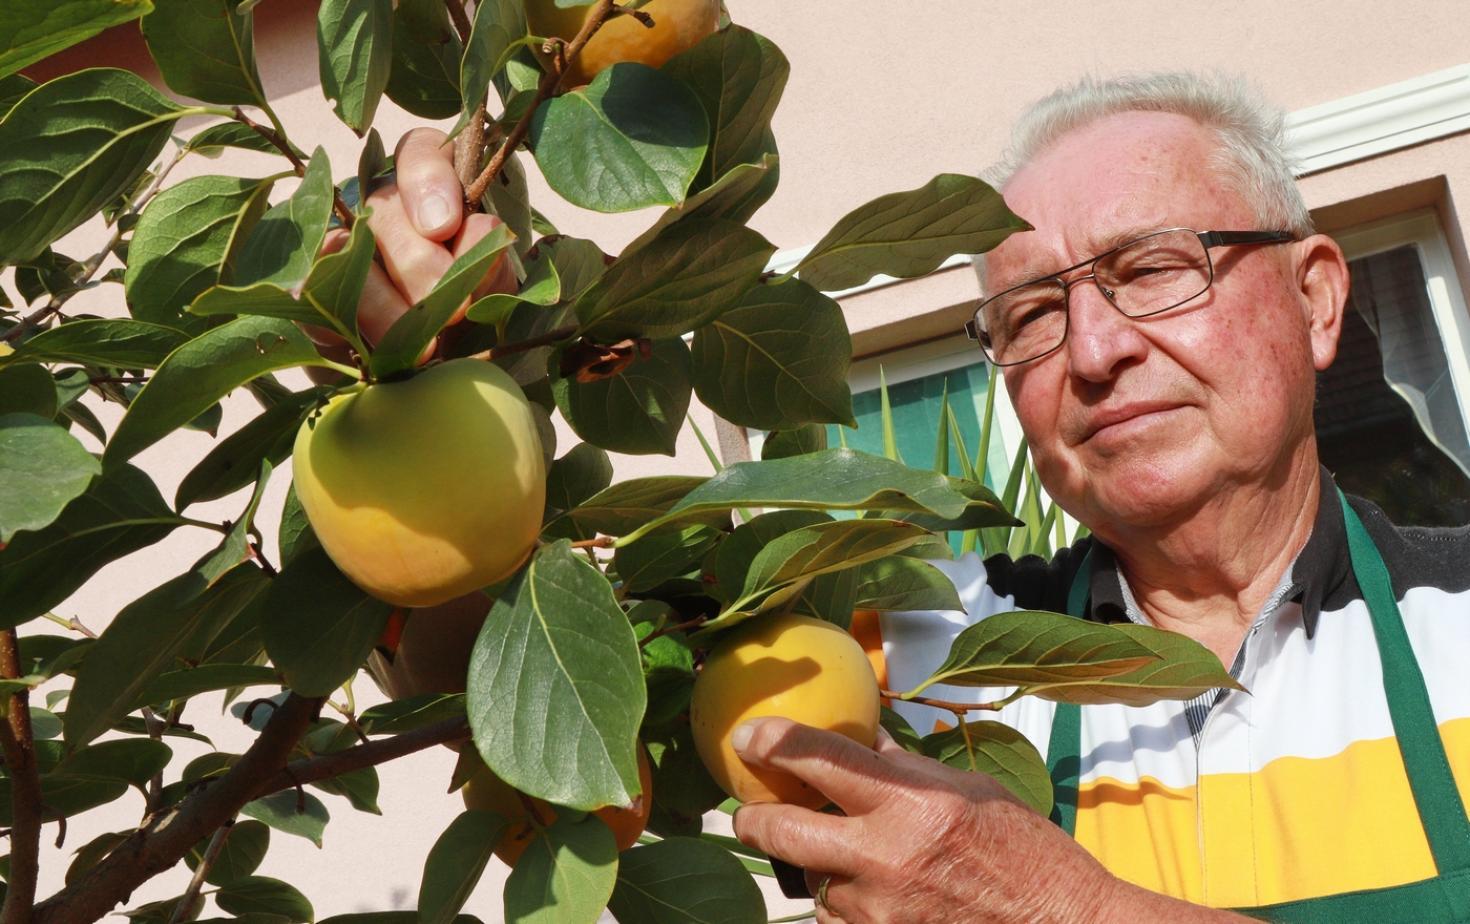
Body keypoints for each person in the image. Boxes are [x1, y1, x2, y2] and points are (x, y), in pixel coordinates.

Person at [375, 72, 1470, 921]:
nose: (1092, 349)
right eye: (1033, 315)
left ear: (1317, 298)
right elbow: (502, 685)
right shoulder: (924, 654)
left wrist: (1063, 907)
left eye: (1150, 267)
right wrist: (445, 365)